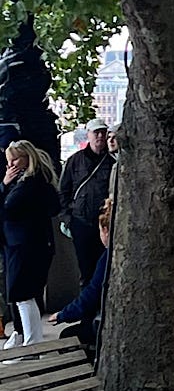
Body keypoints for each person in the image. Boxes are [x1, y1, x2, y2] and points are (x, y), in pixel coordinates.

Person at [2, 140, 59, 352]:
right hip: (27, 242)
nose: (11, 165)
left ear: (28, 158)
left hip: (24, 243)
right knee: (24, 294)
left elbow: (8, 209)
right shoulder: (40, 181)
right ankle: (26, 337)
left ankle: (31, 342)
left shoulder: (29, 184)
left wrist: (4, 185)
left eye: (15, 159)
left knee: (22, 293)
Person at [49, 197, 112, 353]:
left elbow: (91, 295)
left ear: (105, 231)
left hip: (103, 322)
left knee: (68, 337)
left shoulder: (107, 258)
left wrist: (63, 315)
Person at [59, 118, 115, 286]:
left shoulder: (112, 161)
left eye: (103, 133)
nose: (100, 136)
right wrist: (67, 219)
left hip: (104, 222)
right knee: (85, 267)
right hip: (80, 221)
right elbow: (63, 191)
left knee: (103, 267)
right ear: (88, 135)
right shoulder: (74, 161)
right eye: (96, 132)